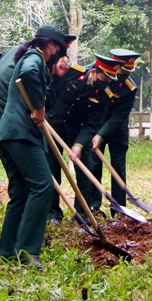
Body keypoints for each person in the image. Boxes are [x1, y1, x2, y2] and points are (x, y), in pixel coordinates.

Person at [0, 33, 75, 231]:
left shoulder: (18, 50)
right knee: (20, 176)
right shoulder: (36, 63)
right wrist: (8, 95)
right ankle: (20, 225)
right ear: (50, 47)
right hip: (0, 117)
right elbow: (41, 100)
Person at [0, 25, 69, 268]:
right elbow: (26, 75)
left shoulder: (36, 61)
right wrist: (38, 108)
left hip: (9, 135)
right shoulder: (33, 58)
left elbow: (46, 96)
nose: (60, 56)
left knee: (23, 192)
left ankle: (7, 251)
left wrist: (56, 80)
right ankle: (26, 250)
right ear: (50, 45)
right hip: (21, 134)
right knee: (43, 186)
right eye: (60, 50)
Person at [44, 54, 123, 220]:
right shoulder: (72, 72)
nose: (106, 83)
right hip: (55, 126)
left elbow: (93, 123)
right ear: (94, 71)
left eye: (109, 80)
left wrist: (79, 145)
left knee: (86, 170)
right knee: (52, 169)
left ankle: (82, 212)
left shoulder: (105, 95)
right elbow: (50, 84)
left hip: (78, 131)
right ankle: (52, 212)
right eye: (104, 78)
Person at [91, 49, 140, 217]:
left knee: (118, 168)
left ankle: (119, 210)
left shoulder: (130, 88)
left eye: (128, 72)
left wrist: (101, 135)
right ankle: (93, 206)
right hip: (96, 126)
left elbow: (119, 115)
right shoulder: (100, 76)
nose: (124, 75)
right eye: (122, 71)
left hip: (117, 130)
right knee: (94, 165)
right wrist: (96, 134)